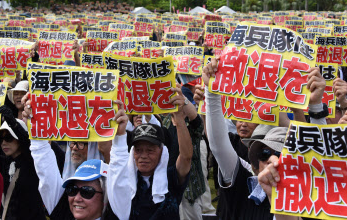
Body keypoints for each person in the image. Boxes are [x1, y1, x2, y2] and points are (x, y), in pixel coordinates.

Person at [201, 57, 328, 219]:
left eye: (280, 155)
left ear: (298, 163)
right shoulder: (244, 182)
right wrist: (211, 91)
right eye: (263, 154)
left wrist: (316, 104)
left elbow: (318, 156)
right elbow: (218, 146)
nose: (272, 161)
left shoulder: (308, 199)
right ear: (254, 163)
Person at [22, 97, 128, 220]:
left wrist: (119, 137)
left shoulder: (117, 215)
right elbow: (44, 169)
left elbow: (120, 183)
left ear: (105, 197)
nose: (77, 198)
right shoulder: (62, 210)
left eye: (87, 191)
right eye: (72, 190)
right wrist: (36, 126)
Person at [107, 90, 193, 219]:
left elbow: (186, 157)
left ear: (162, 152)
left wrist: (179, 118)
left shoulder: (170, 178)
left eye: (150, 150)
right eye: (138, 150)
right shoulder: (124, 180)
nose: (143, 156)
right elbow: (105, 150)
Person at [0, 105, 47, 220]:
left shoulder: (32, 161)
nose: (4, 143)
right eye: (0, 139)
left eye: (9, 138)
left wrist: (13, 123)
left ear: (18, 140)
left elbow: (27, 142)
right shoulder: (4, 162)